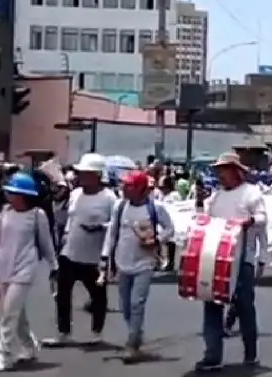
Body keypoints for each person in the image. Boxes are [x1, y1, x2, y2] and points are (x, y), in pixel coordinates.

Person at [196, 152, 267, 372]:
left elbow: (263, 220)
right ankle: (213, 355)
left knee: (244, 306)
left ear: (236, 171)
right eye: (219, 170)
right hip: (216, 259)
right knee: (212, 304)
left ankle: (250, 352)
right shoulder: (216, 197)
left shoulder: (251, 194)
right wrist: (199, 204)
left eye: (224, 170)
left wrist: (249, 222)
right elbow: (204, 219)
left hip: (242, 258)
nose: (220, 174)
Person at [102, 171, 175, 363]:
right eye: (124, 186)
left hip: (145, 262)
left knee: (137, 303)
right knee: (125, 305)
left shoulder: (155, 208)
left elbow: (170, 229)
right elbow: (112, 233)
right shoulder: (120, 207)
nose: (125, 189)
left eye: (130, 186)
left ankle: (132, 343)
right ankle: (136, 332)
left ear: (142, 189)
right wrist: (105, 257)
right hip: (122, 262)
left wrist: (157, 240)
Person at [0, 172, 57, 372]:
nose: (9, 195)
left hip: (25, 269)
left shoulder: (37, 215)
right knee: (17, 314)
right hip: (4, 268)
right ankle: (28, 346)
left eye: (13, 192)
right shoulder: (4, 212)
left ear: (23, 195)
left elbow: (46, 243)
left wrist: (54, 266)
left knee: (9, 314)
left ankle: (4, 355)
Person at [46, 154, 116, 347]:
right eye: (81, 173)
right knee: (63, 293)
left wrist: (100, 227)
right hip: (70, 251)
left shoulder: (109, 198)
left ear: (97, 175)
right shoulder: (76, 194)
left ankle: (96, 332)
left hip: (94, 255)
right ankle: (64, 332)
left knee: (98, 295)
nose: (81, 176)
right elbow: (70, 218)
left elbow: (115, 225)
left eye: (86, 173)